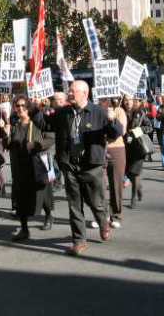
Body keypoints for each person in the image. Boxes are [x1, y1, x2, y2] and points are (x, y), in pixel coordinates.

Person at [34, 80, 121, 256]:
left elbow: (115, 133)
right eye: (69, 91)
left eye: (73, 91)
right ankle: (79, 240)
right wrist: (36, 108)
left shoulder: (99, 112)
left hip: (91, 165)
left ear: (85, 93)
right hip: (70, 165)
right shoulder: (63, 112)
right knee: (74, 204)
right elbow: (43, 123)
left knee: (96, 202)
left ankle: (103, 223)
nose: (70, 94)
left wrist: (112, 120)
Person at [3, 96, 55, 241]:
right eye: (17, 106)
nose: (20, 108)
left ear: (28, 107)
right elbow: (7, 145)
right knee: (21, 197)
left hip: (37, 164)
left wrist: (36, 145)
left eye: (23, 106)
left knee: (42, 192)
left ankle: (48, 214)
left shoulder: (38, 122)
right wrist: (5, 133)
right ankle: (24, 229)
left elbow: (50, 138)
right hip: (19, 166)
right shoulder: (14, 124)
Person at [124, 97, 152, 208]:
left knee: (135, 172)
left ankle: (133, 198)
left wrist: (136, 131)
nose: (127, 102)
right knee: (129, 173)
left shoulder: (140, 113)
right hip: (126, 147)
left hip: (139, 147)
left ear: (134, 101)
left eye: (129, 100)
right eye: (125, 100)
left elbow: (149, 127)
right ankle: (139, 188)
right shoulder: (121, 112)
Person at [106, 97, 127, 228]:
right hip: (99, 149)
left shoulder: (119, 111)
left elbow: (122, 132)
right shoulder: (96, 110)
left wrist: (112, 119)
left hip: (116, 149)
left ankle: (116, 214)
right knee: (99, 186)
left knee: (115, 184)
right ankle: (102, 215)